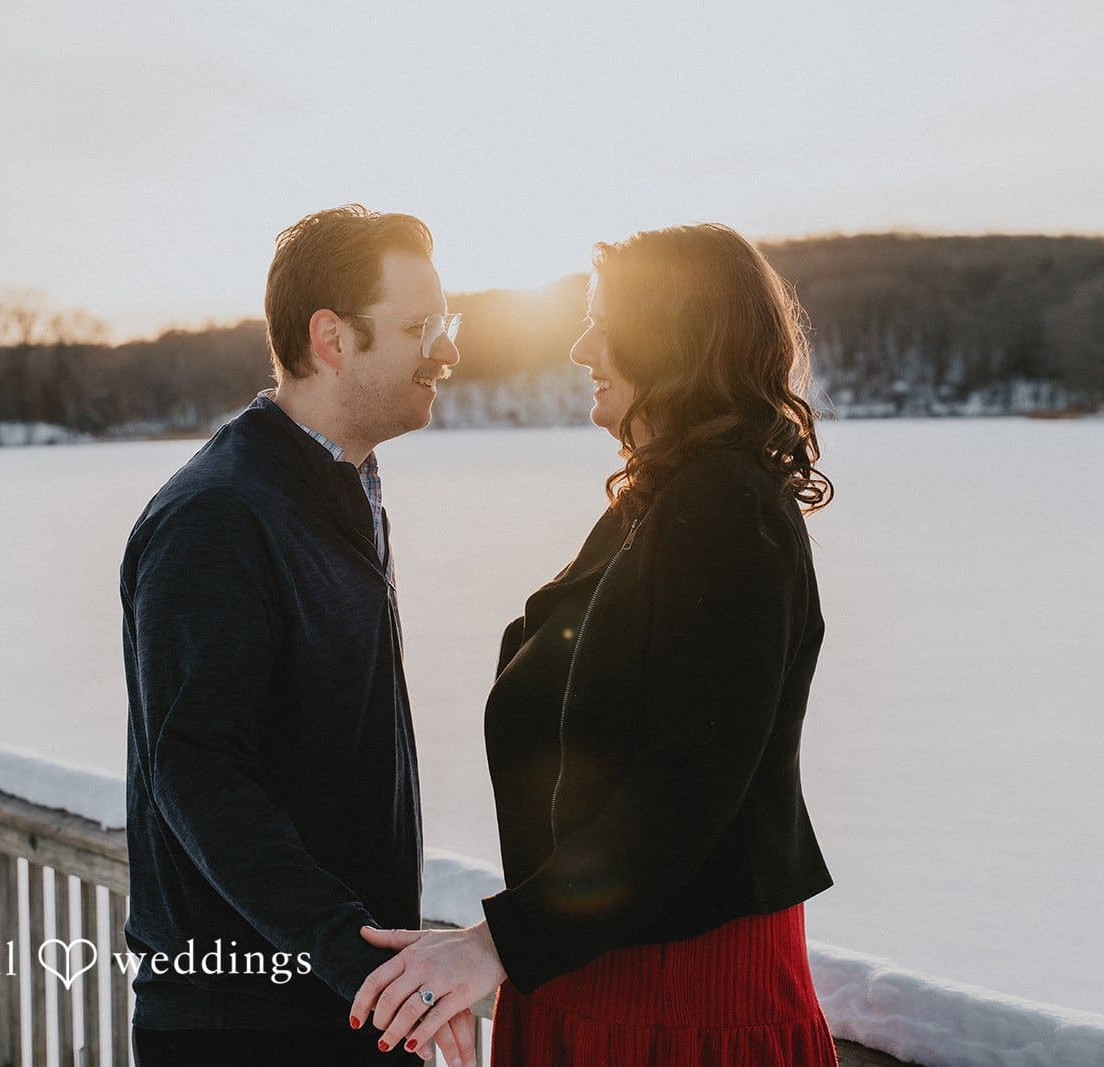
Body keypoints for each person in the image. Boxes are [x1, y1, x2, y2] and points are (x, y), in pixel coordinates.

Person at [351, 223, 840, 1064]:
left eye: (604, 324)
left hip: (681, 1003)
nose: (581, 349)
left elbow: (689, 781)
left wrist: (496, 944)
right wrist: (511, 942)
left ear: (677, 337)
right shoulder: (656, 502)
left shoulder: (728, 506)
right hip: (589, 979)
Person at [121, 205, 475, 1066]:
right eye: (420, 327)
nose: (448, 352)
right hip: (247, 1024)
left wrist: (373, 967)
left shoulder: (342, 491)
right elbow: (199, 773)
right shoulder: (219, 516)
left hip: (346, 999)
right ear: (332, 338)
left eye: (447, 323)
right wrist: (349, 951)